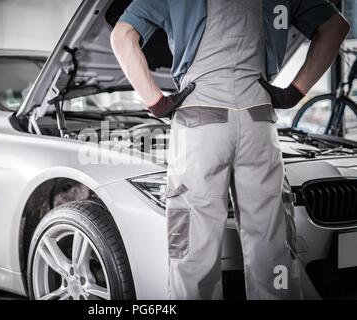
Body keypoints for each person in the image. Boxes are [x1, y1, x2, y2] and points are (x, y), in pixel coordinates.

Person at [111, 0, 349, 300]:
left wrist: (156, 102)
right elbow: (336, 26)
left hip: (201, 125)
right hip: (259, 122)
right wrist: (294, 92)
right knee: (271, 243)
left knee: (193, 247)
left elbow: (121, 36)